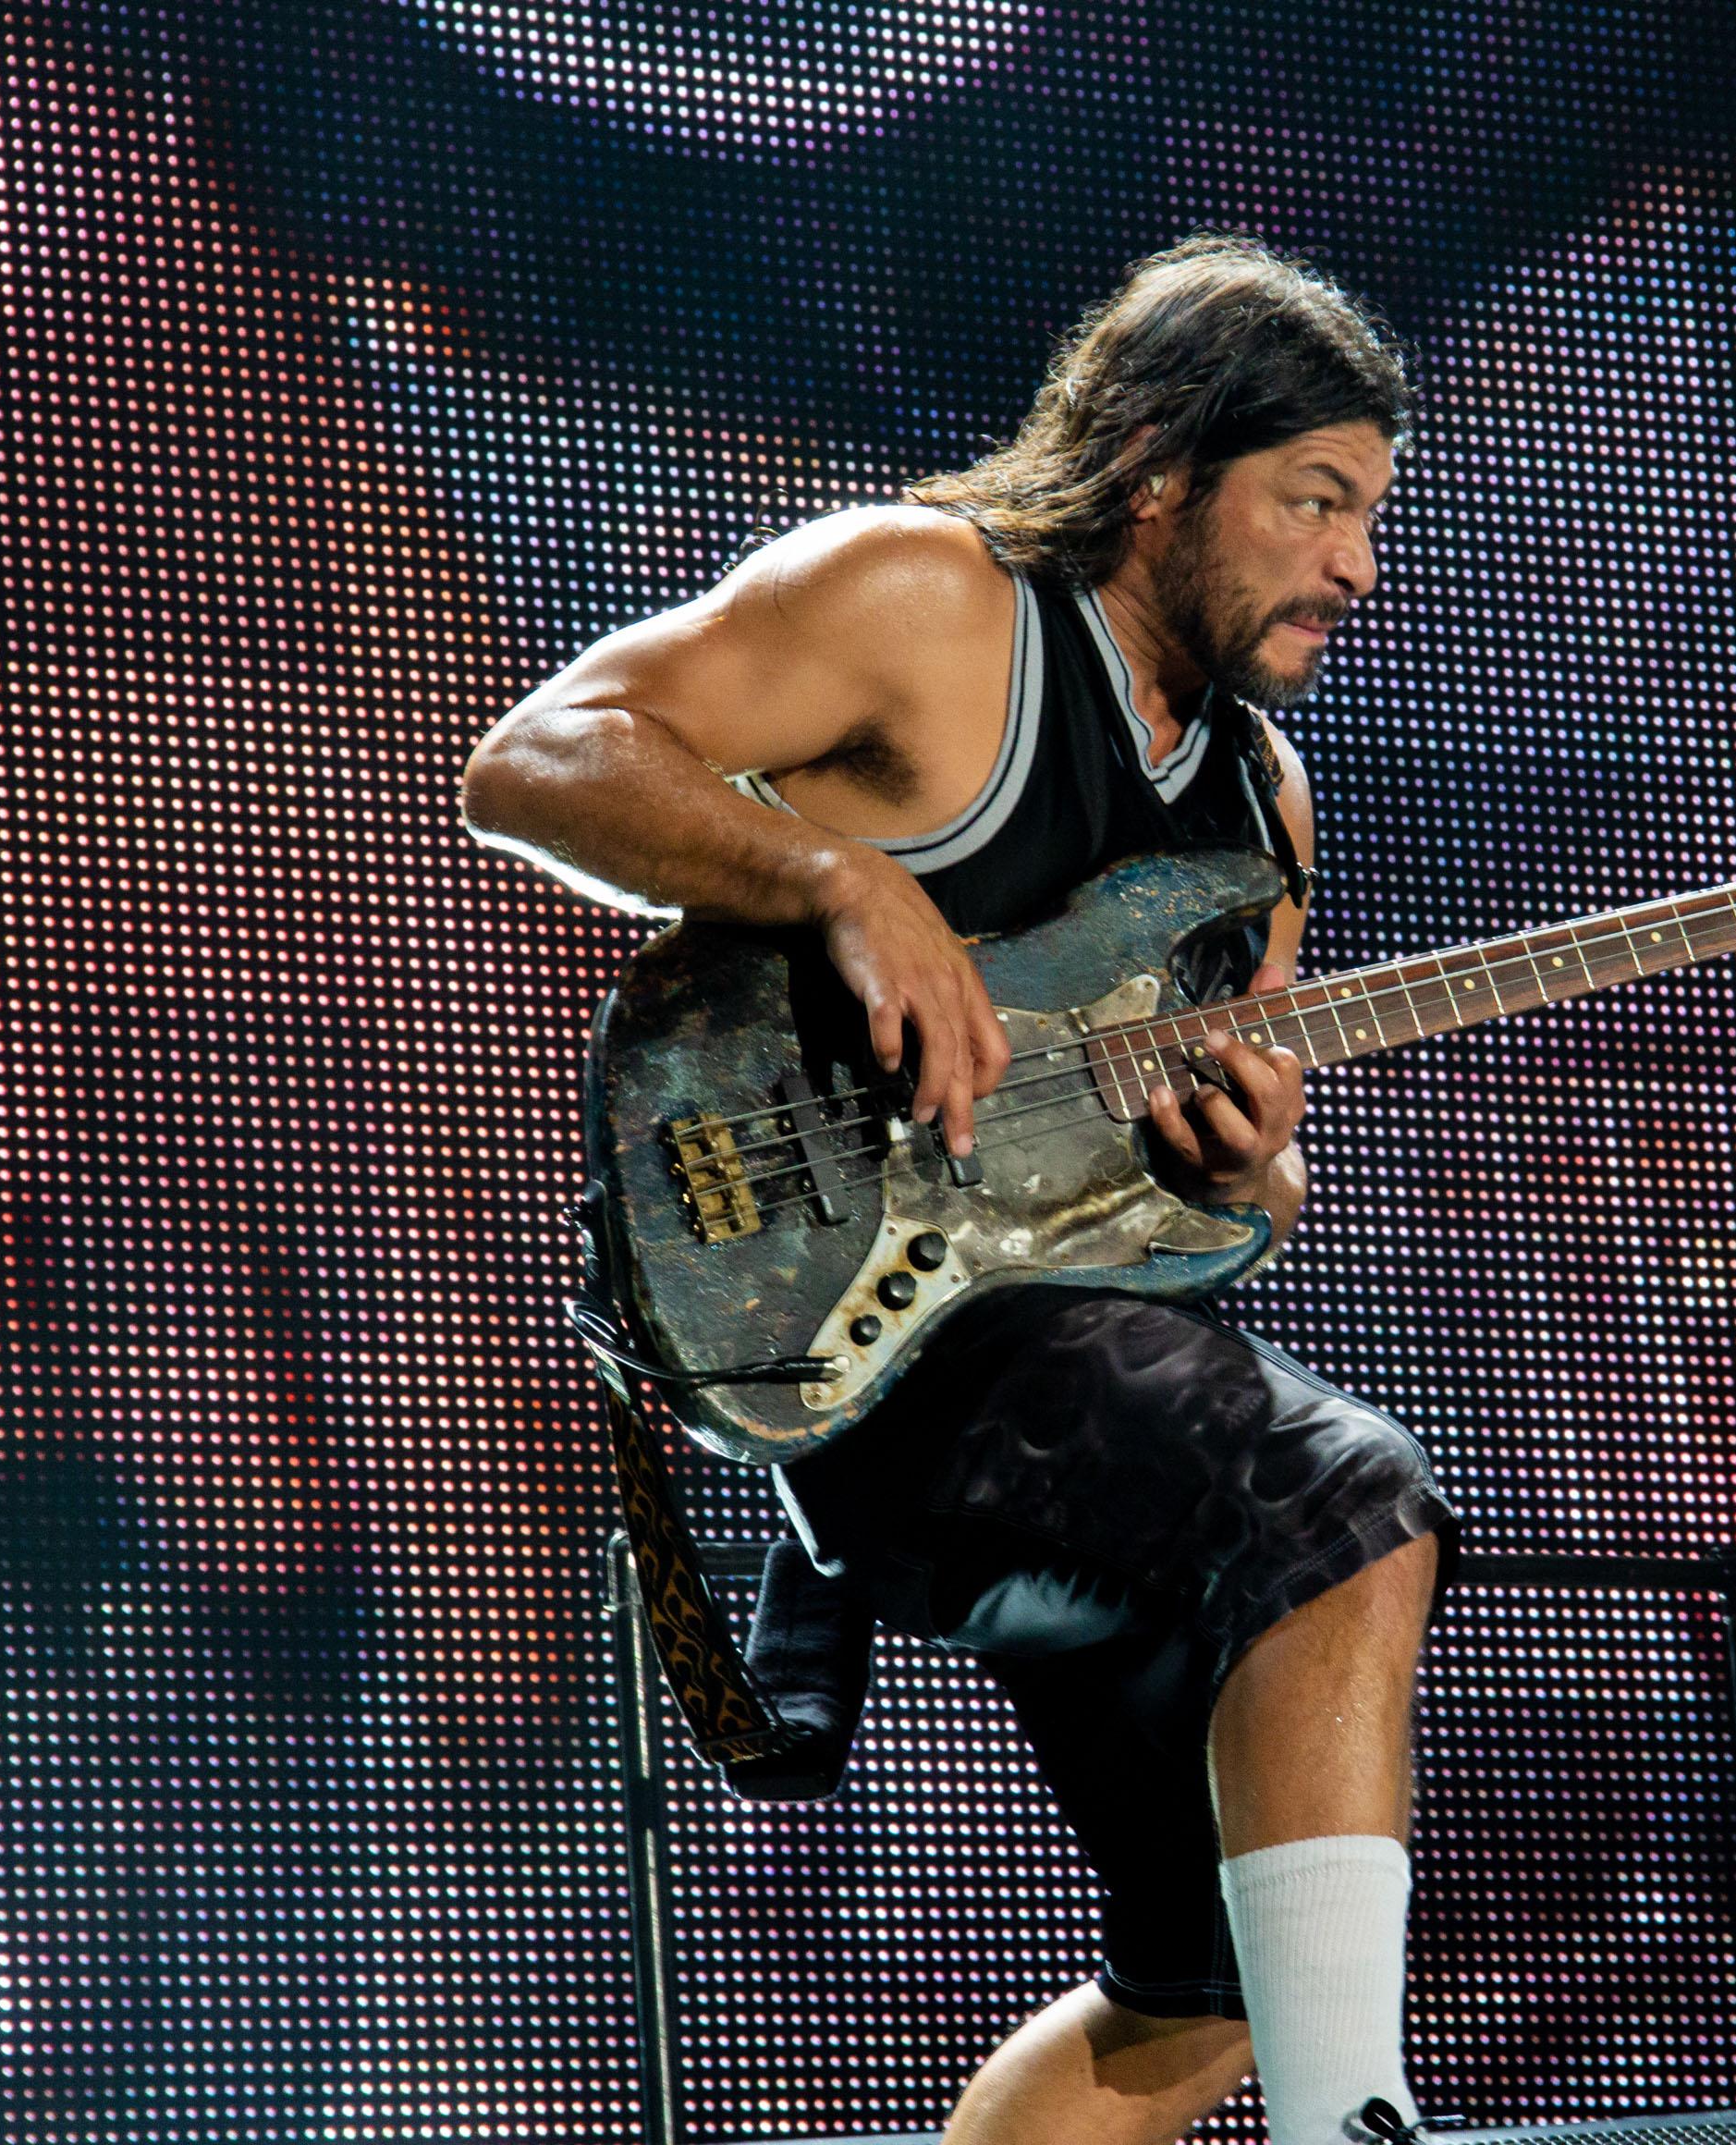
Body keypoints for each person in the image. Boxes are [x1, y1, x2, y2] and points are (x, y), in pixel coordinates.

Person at [461, 235, 1450, 2145]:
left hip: (1100, 1390)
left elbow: (1239, 1198)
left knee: (1217, 1983)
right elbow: (535, 760)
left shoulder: (1262, 803)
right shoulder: (930, 601)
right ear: (1158, 465)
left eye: (1370, 518)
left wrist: (1254, 1158)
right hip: (859, 1334)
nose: (1356, 565)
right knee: (1348, 1498)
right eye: (1315, 501)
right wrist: (839, 878)